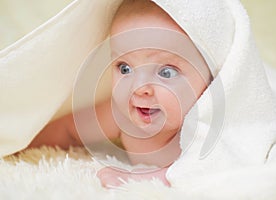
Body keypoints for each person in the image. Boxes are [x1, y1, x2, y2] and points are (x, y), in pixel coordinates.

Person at [28, 0, 211, 187]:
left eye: (166, 72)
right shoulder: (121, 116)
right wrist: (17, 145)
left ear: (212, 75)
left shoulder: (211, 124)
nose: (139, 88)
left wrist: (143, 178)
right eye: (125, 68)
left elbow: (223, 167)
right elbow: (68, 131)